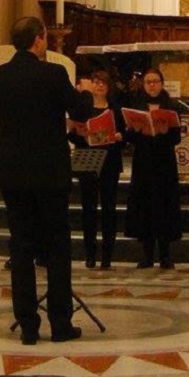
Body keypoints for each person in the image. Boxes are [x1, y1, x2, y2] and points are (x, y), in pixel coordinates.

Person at [0, 16, 85, 346]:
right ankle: (60, 323)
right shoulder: (54, 74)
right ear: (40, 41)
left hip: (12, 171)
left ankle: (28, 325)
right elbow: (80, 111)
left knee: (21, 247)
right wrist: (83, 94)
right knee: (57, 247)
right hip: (49, 172)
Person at [124, 68, 183, 269]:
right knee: (145, 206)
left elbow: (176, 138)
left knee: (165, 205)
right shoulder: (137, 105)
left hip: (164, 162)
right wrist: (137, 130)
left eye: (155, 81)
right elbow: (129, 137)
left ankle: (165, 255)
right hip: (143, 162)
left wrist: (165, 131)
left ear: (162, 83)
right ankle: (147, 255)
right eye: (148, 82)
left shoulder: (171, 105)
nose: (152, 85)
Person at [68, 69, 124, 269]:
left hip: (109, 160)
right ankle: (90, 254)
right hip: (88, 159)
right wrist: (79, 133)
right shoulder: (83, 107)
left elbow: (124, 134)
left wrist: (118, 137)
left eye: (103, 83)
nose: (100, 86)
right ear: (91, 84)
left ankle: (107, 255)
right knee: (88, 209)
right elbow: (73, 135)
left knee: (109, 208)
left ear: (108, 87)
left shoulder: (115, 109)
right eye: (96, 82)